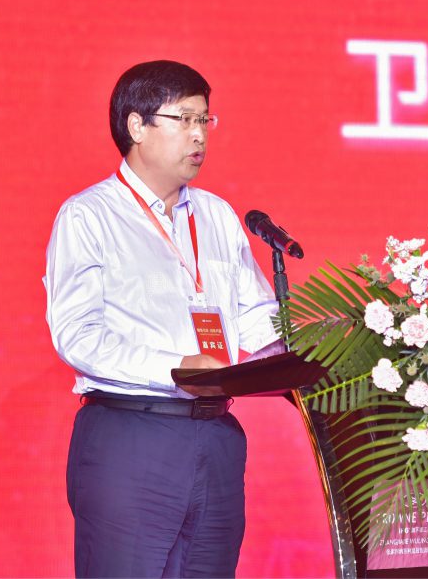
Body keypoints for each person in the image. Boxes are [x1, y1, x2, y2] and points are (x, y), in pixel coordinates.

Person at [44, 60, 282, 577]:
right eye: (185, 119)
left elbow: (256, 316)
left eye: (206, 120)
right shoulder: (89, 216)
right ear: (136, 125)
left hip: (216, 436)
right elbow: (77, 335)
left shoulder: (217, 215)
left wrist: (308, 353)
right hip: (132, 435)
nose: (199, 136)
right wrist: (175, 367)